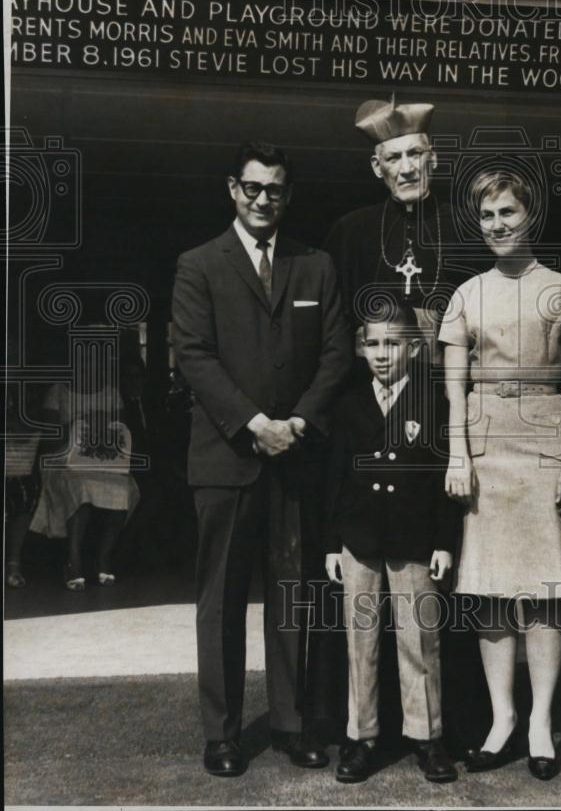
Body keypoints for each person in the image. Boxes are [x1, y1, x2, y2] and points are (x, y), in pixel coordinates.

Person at [171, 141, 351, 778]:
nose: (262, 199)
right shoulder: (198, 265)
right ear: (232, 189)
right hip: (226, 459)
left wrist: (297, 423)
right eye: (252, 187)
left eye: (274, 189)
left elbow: (336, 354)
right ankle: (220, 734)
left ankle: (292, 723)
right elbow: (193, 355)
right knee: (220, 600)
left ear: (288, 195)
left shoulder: (317, 265)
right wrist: (254, 424)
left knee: (292, 594)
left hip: (296, 456)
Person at [439, 170, 561, 781]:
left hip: (546, 443)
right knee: (490, 591)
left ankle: (541, 721)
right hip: (487, 448)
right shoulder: (466, 293)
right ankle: (501, 720)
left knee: (543, 592)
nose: (498, 225)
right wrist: (459, 454)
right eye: (488, 215)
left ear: (531, 215)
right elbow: (454, 383)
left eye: (508, 212)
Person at [324, 302, 458, 784]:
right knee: (361, 640)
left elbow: (445, 476)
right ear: (362, 349)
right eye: (373, 344)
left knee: (419, 639)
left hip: (415, 538)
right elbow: (334, 478)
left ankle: (427, 736)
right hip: (358, 539)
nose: (382, 354)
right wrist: (330, 544)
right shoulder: (348, 403)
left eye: (393, 343)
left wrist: (444, 541)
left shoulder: (433, 401)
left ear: (415, 348)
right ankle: (361, 737)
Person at [325, 94, 466, 356]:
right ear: (378, 167)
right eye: (393, 158)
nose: (407, 169)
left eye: (415, 154)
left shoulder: (466, 227)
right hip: (368, 381)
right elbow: (334, 323)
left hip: (442, 377)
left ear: (432, 159)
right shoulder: (349, 231)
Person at [29, 374, 138, 589]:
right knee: (81, 489)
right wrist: (79, 423)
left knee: (125, 488)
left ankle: (103, 559)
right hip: (63, 458)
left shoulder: (110, 392)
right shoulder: (58, 390)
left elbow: (121, 433)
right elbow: (50, 438)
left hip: (100, 460)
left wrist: (104, 425)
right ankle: (74, 561)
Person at [4, 386, 43, 588]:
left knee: (24, 493)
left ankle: (13, 565)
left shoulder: (35, 412)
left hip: (21, 474)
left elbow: (23, 434)